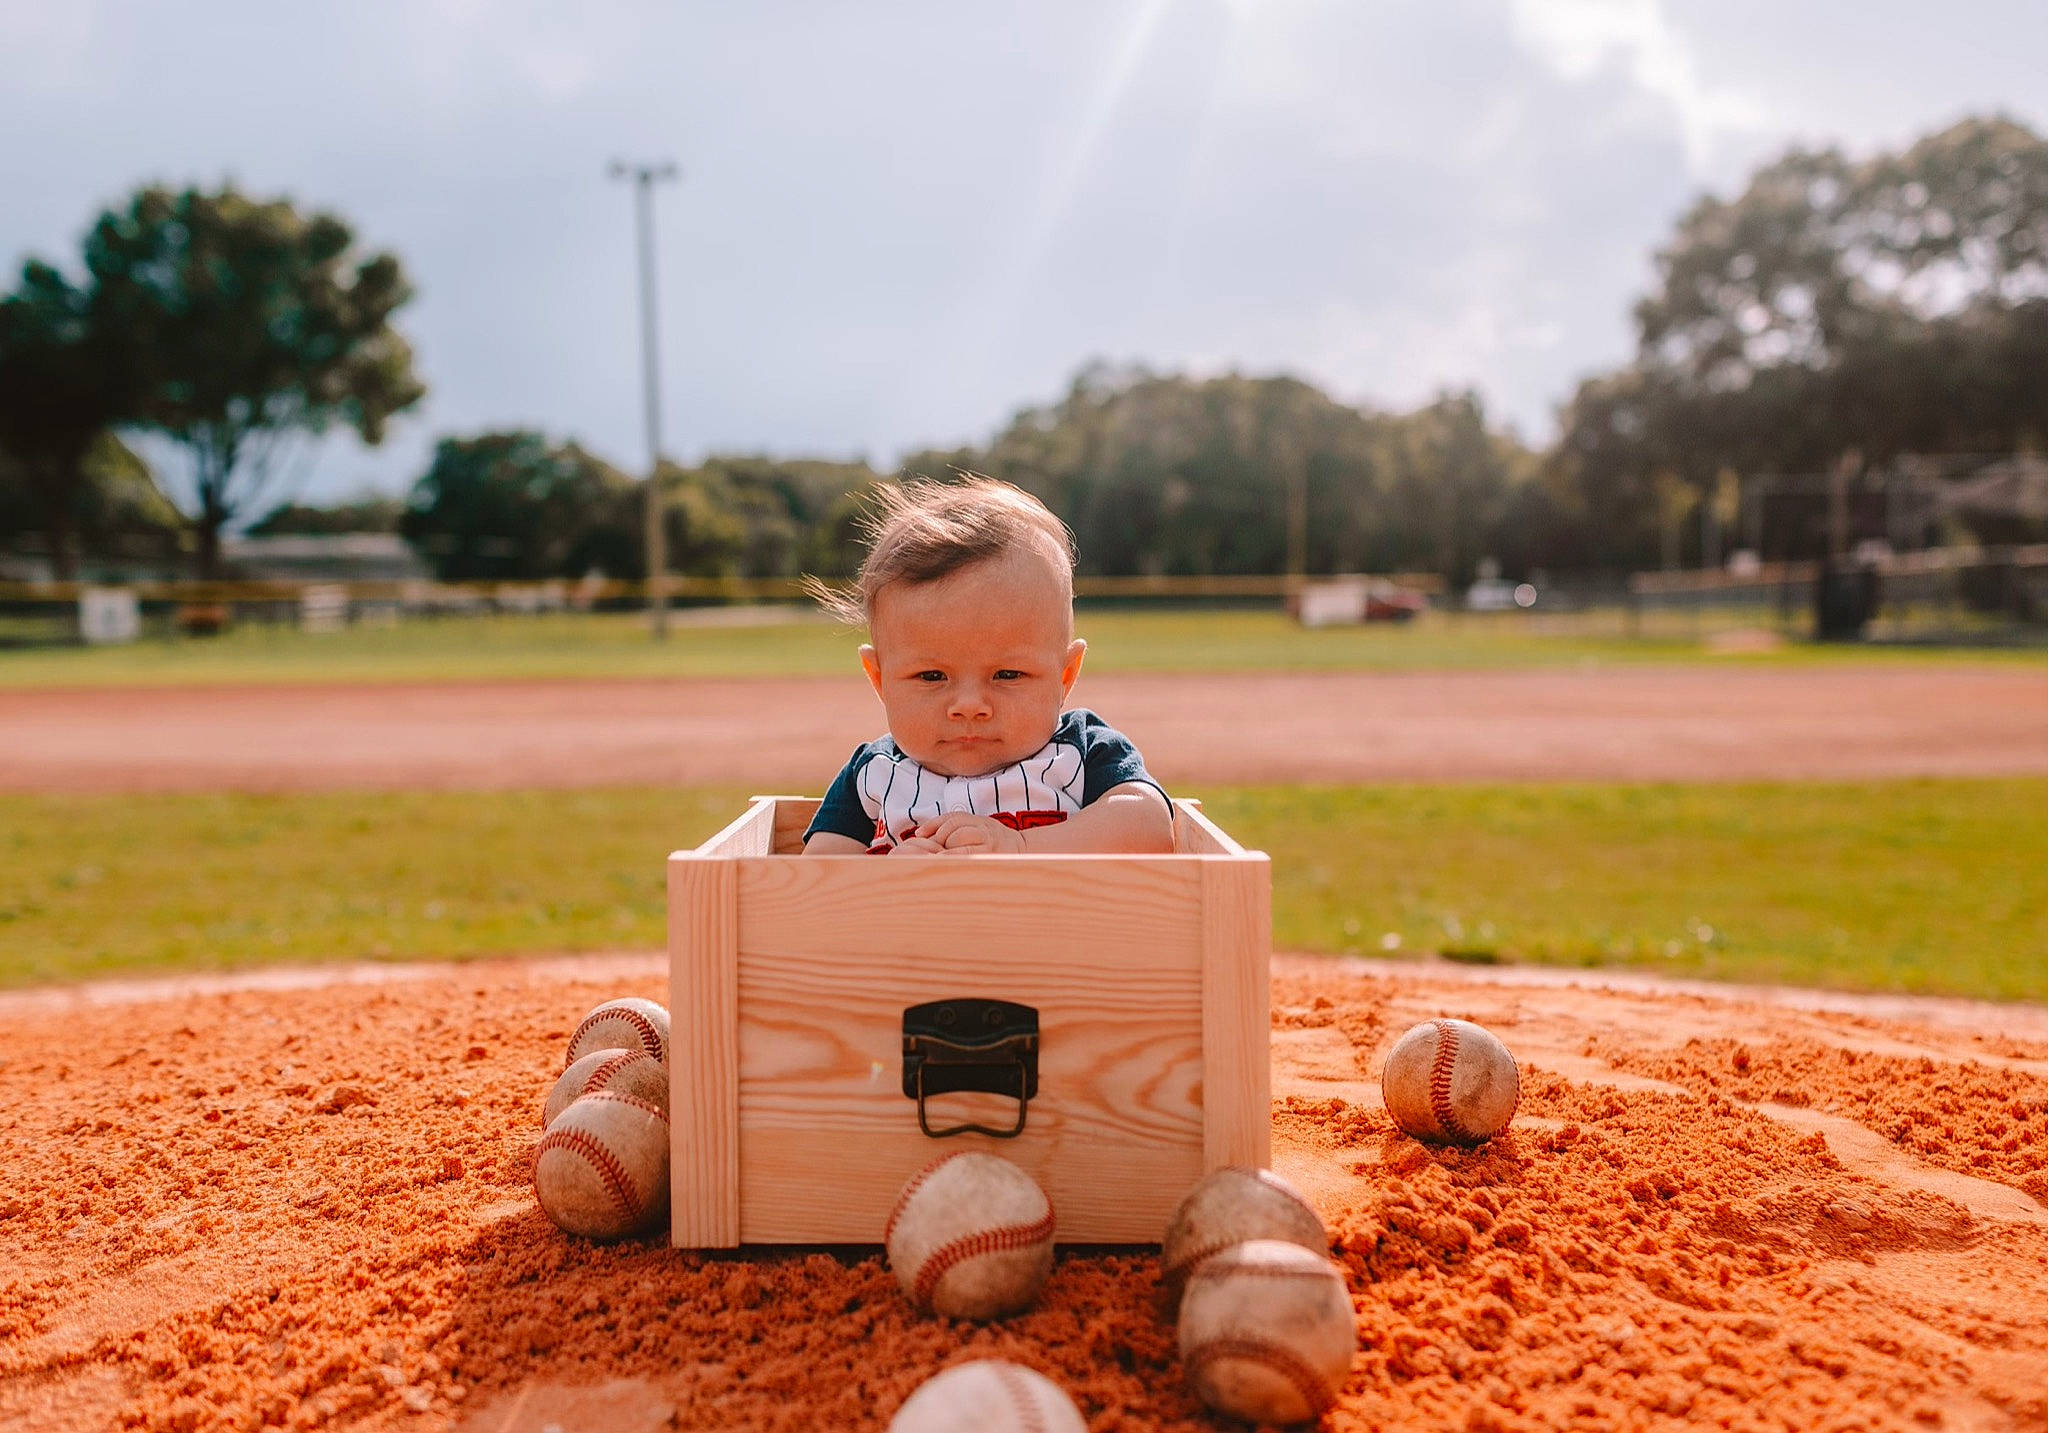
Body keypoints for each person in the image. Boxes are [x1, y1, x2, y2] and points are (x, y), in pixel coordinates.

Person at [801, 476, 1175, 856]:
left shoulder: (1081, 751)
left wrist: (1020, 845)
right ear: (880, 679)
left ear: (1065, 676)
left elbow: (1150, 825)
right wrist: (884, 879)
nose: (969, 704)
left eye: (1007, 674)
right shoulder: (871, 773)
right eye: (932, 676)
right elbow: (818, 868)